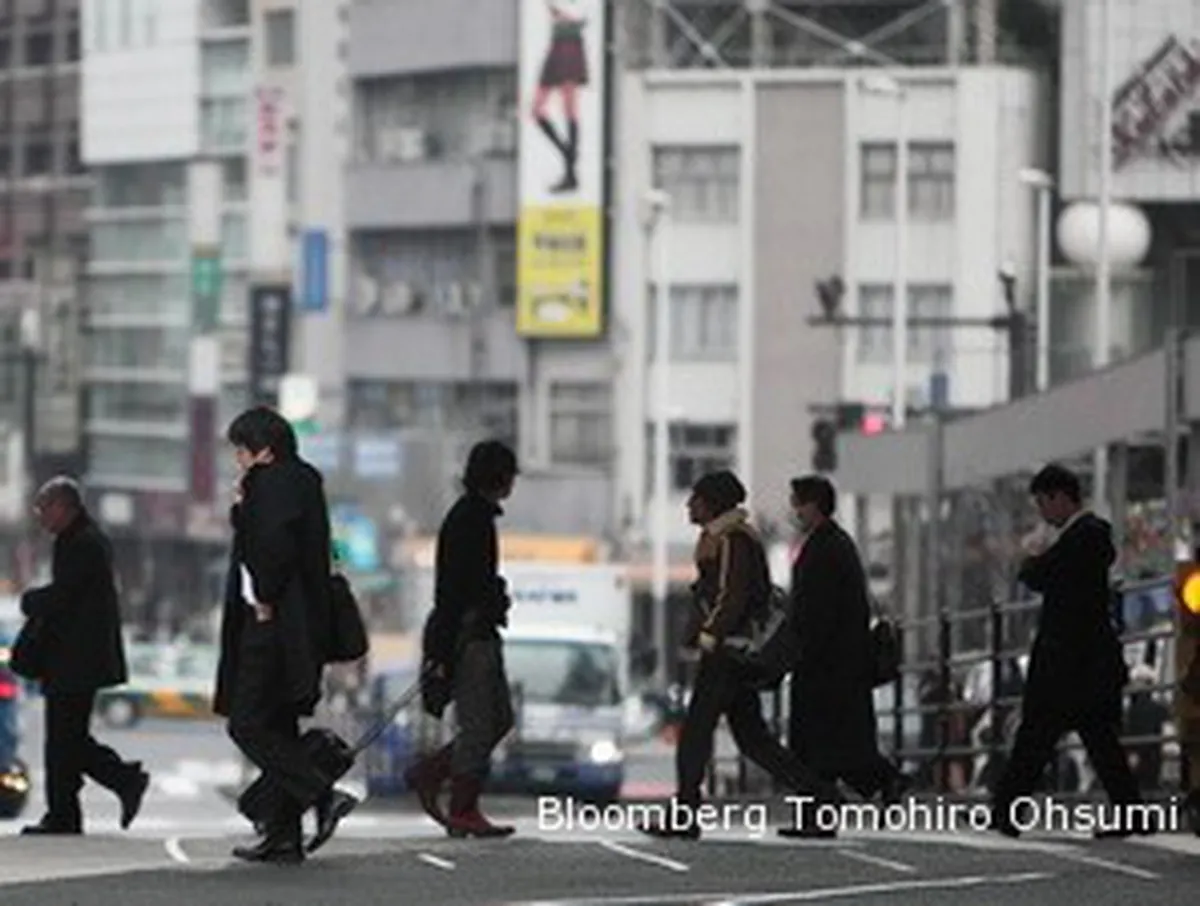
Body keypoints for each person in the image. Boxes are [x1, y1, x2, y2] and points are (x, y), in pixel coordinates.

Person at [637, 470, 840, 840]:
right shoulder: (722, 538)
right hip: (734, 653)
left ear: (712, 502)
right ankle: (820, 793)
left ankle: (685, 814)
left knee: (696, 732)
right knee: (752, 739)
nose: (688, 505)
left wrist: (709, 636)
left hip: (730, 652)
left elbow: (732, 594)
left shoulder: (732, 540)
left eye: (695, 498)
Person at [214, 407, 356, 864]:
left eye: (242, 451)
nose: (238, 460)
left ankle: (321, 794)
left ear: (264, 451)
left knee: (248, 721)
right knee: (277, 723)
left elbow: (271, 548)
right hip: (296, 627)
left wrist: (266, 598)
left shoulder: (270, 483)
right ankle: (283, 836)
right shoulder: (303, 481)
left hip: (270, 625)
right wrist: (242, 509)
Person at [989, 463, 1150, 838]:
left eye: (1043, 504)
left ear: (1059, 497)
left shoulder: (1083, 537)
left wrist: (1033, 557)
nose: (1042, 514)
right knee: (1092, 742)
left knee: (1040, 737)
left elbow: (1039, 574)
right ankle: (1132, 814)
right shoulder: (1089, 537)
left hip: (1070, 663)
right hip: (1084, 663)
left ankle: (1006, 810)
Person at [19, 476, 149, 835]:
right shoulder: (81, 538)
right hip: (76, 659)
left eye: (43, 508)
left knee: (64, 740)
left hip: (77, 660)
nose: (40, 516)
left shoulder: (82, 543)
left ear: (64, 506)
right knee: (68, 739)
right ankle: (74, 808)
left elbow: (65, 596)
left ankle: (113, 786)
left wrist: (31, 601)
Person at [405, 440, 520, 837]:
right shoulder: (470, 519)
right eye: (510, 475)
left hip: (477, 632)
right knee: (480, 724)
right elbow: (457, 590)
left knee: (499, 719)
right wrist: (446, 648)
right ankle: (463, 808)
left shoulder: (475, 517)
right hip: (468, 637)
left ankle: (432, 772)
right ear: (499, 476)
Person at [781, 475, 903, 839]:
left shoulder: (824, 549)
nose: (794, 511)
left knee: (814, 745)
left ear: (814, 505)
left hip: (824, 666)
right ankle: (877, 785)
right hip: (840, 665)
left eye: (798, 503)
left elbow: (815, 613)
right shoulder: (835, 544)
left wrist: (795, 650)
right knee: (841, 745)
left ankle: (819, 814)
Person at [532, 0, 589, 193]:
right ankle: (569, 158)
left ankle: (570, 173)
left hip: (569, 43)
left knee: (569, 108)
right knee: (537, 110)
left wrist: (560, 10)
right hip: (557, 43)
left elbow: (582, 16)